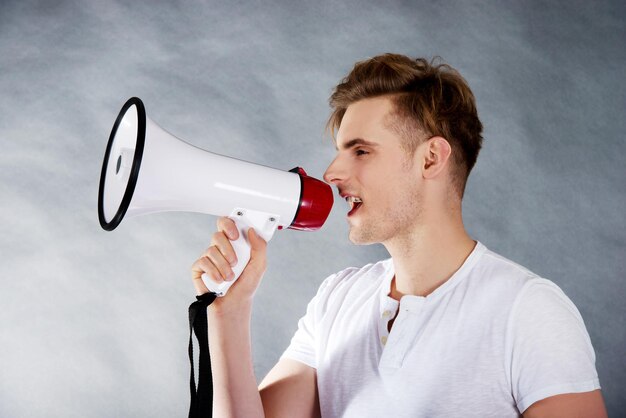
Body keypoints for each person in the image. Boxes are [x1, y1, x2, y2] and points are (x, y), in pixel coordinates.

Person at [190, 54, 607, 417]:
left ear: (430, 159)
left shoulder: (528, 310)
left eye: (361, 150)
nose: (332, 173)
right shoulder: (336, 300)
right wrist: (229, 310)